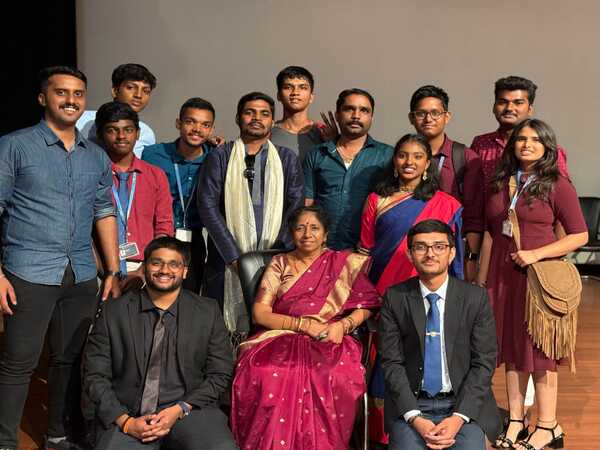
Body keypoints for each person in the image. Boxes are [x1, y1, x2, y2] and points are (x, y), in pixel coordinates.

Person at [0, 66, 121, 450]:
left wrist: (113, 271)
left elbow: (104, 212)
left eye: (78, 93)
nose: (71, 100)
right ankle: (5, 441)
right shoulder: (14, 146)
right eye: (61, 92)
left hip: (82, 274)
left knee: (68, 361)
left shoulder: (96, 156)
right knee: (19, 363)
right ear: (43, 98)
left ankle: (58, 435)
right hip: (28, 272)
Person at [230, 205, 381, 450]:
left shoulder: (344, 263)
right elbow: (260, 313)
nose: (307, 234)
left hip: (330, 335)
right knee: (265, 371)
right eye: (300, 228)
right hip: (280, 335)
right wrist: (302, 325)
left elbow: (368, 305)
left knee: (333, 374)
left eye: (314, 228)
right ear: (292, 233)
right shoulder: (280, 263)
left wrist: (344, 324)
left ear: (325, 234)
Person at [477, 119, 587, 450]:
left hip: (538, 279)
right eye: (521, 139)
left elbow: (580, 234)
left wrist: (537, 254)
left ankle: (548, 425)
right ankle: (516, 420)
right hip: (503, 277)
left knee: (540, 353)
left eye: (535, 139)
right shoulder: (500, 183)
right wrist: (481, 280)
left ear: (547, 147)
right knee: (511, 350)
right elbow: (490, 234)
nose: (527, 144)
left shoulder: (557, 184)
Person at [357, 133, 464, 445]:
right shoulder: (377, 200)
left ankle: (436, 421)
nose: (409, 162)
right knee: (386, 360)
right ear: (394, 161)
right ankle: (384, 431)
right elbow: (364, 252)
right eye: (403, 155)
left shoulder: (448, 204)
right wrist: (365, 298)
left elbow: (454, 259)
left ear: (428, 163)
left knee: (427, 353)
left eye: (418, 156)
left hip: (432, 297)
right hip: (385, 295)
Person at [83, 237, 236, 450]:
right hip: (128, 413)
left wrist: (181, 408)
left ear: (184, 271)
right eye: (156, 263)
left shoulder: (207, 312)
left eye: (174, 264)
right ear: (145, 267)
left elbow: (220, 373)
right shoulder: (113, 312)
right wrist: (126, 422)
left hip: (189, 410)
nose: (164, 270)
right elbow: (94, 375)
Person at [380, 219, 500, 450]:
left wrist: (458, 418)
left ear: (452, 253)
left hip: (462, 405)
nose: (430, 254)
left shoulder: (475, 298)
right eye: (421, 247)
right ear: (410, 254)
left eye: (439, 246)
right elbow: (391, 363)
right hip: (412, 405)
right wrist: (415, 417)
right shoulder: (395, 298)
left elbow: (484, 363)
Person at [197, 92, 303, 335]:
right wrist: (234, 257)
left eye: (264, 114)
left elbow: (295, 207)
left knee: (269, 329)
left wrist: (275, 256)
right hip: (225, 262)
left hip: (275, 261)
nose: (257, 118)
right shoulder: (220, 156)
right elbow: (207, 206)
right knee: (222, 332)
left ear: (272, 121)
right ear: (238, 118)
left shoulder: (286, 159)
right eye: (249, 112)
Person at [408, 85, 484, 281]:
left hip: (450, 254)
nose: (428, 119)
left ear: (447, 116)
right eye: (421, 113)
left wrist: (471, 259)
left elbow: (474, 217)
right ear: (411, 118)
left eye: (435, 113)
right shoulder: (404, 158)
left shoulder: (464, 158)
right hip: (409, 252)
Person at [143, 97, 218, 293]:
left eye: (205, 125)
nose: (197, 129)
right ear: (178, 123)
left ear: (211, 130)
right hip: (157, 235)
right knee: (152, 294)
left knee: (188, 296)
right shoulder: (153, 155)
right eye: (190, 121)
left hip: (194, 241)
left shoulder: (216, 157)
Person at [95, 101, 173, 288]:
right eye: (112, 130)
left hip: (145, 269)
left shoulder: (156, 175)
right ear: (100, 134)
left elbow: (164, 226)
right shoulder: (92, 174)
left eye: (128, 130)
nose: (121, 136)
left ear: (137, 133)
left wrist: (145, 269)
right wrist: (106, 272)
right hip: (99, 268)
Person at [304, 88, 393, 250]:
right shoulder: (317, 154)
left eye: (364, 110)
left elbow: (393, 205)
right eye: (349, 109)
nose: (356, 115)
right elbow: (307, 204)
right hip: (321, 250)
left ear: (371, 117)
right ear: (338, 115)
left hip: (366, 252)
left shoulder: (387, 156)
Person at [77, 63, 157, 158]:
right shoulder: (81, 119)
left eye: (146, 91)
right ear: (115, 91)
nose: (138, 95)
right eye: (130, 87)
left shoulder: (146, 133)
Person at [269, 66, 331, 162]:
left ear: (311, 97)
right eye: (288, 87)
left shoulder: (323, 133)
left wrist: (334, 142)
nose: (295, 92)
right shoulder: (268, 132)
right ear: (279, 95)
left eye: (303, 88)